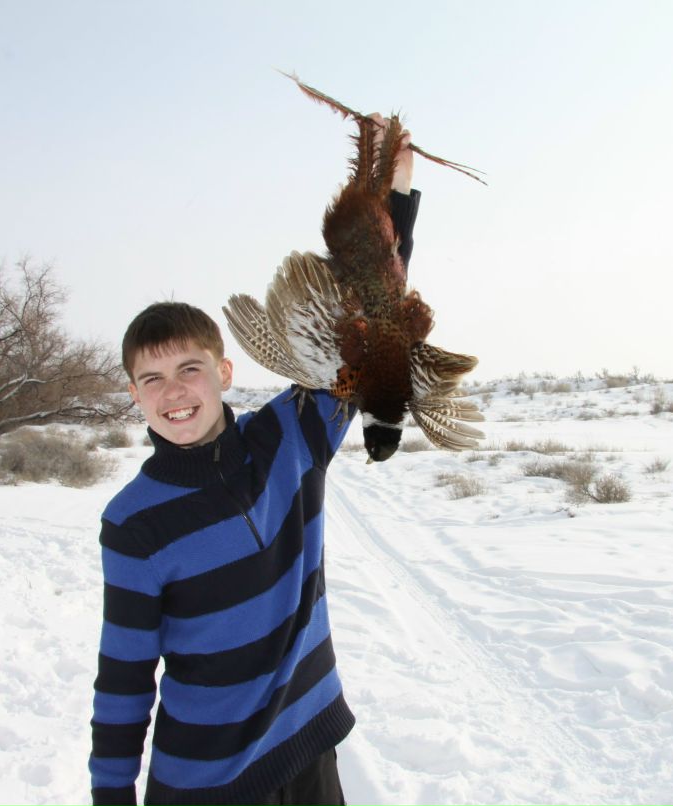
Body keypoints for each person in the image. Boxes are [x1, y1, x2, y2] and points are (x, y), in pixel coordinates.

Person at [89, 118, 419, 806]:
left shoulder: (291, 435)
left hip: (308, 745)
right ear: (134, 395)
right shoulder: (133, 522)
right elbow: (124, 677)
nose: (175, 392)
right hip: (208, 783)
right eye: (152, 379)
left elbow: (372, 321)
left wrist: (393, 196)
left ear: (225, 371)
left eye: (190, 368)